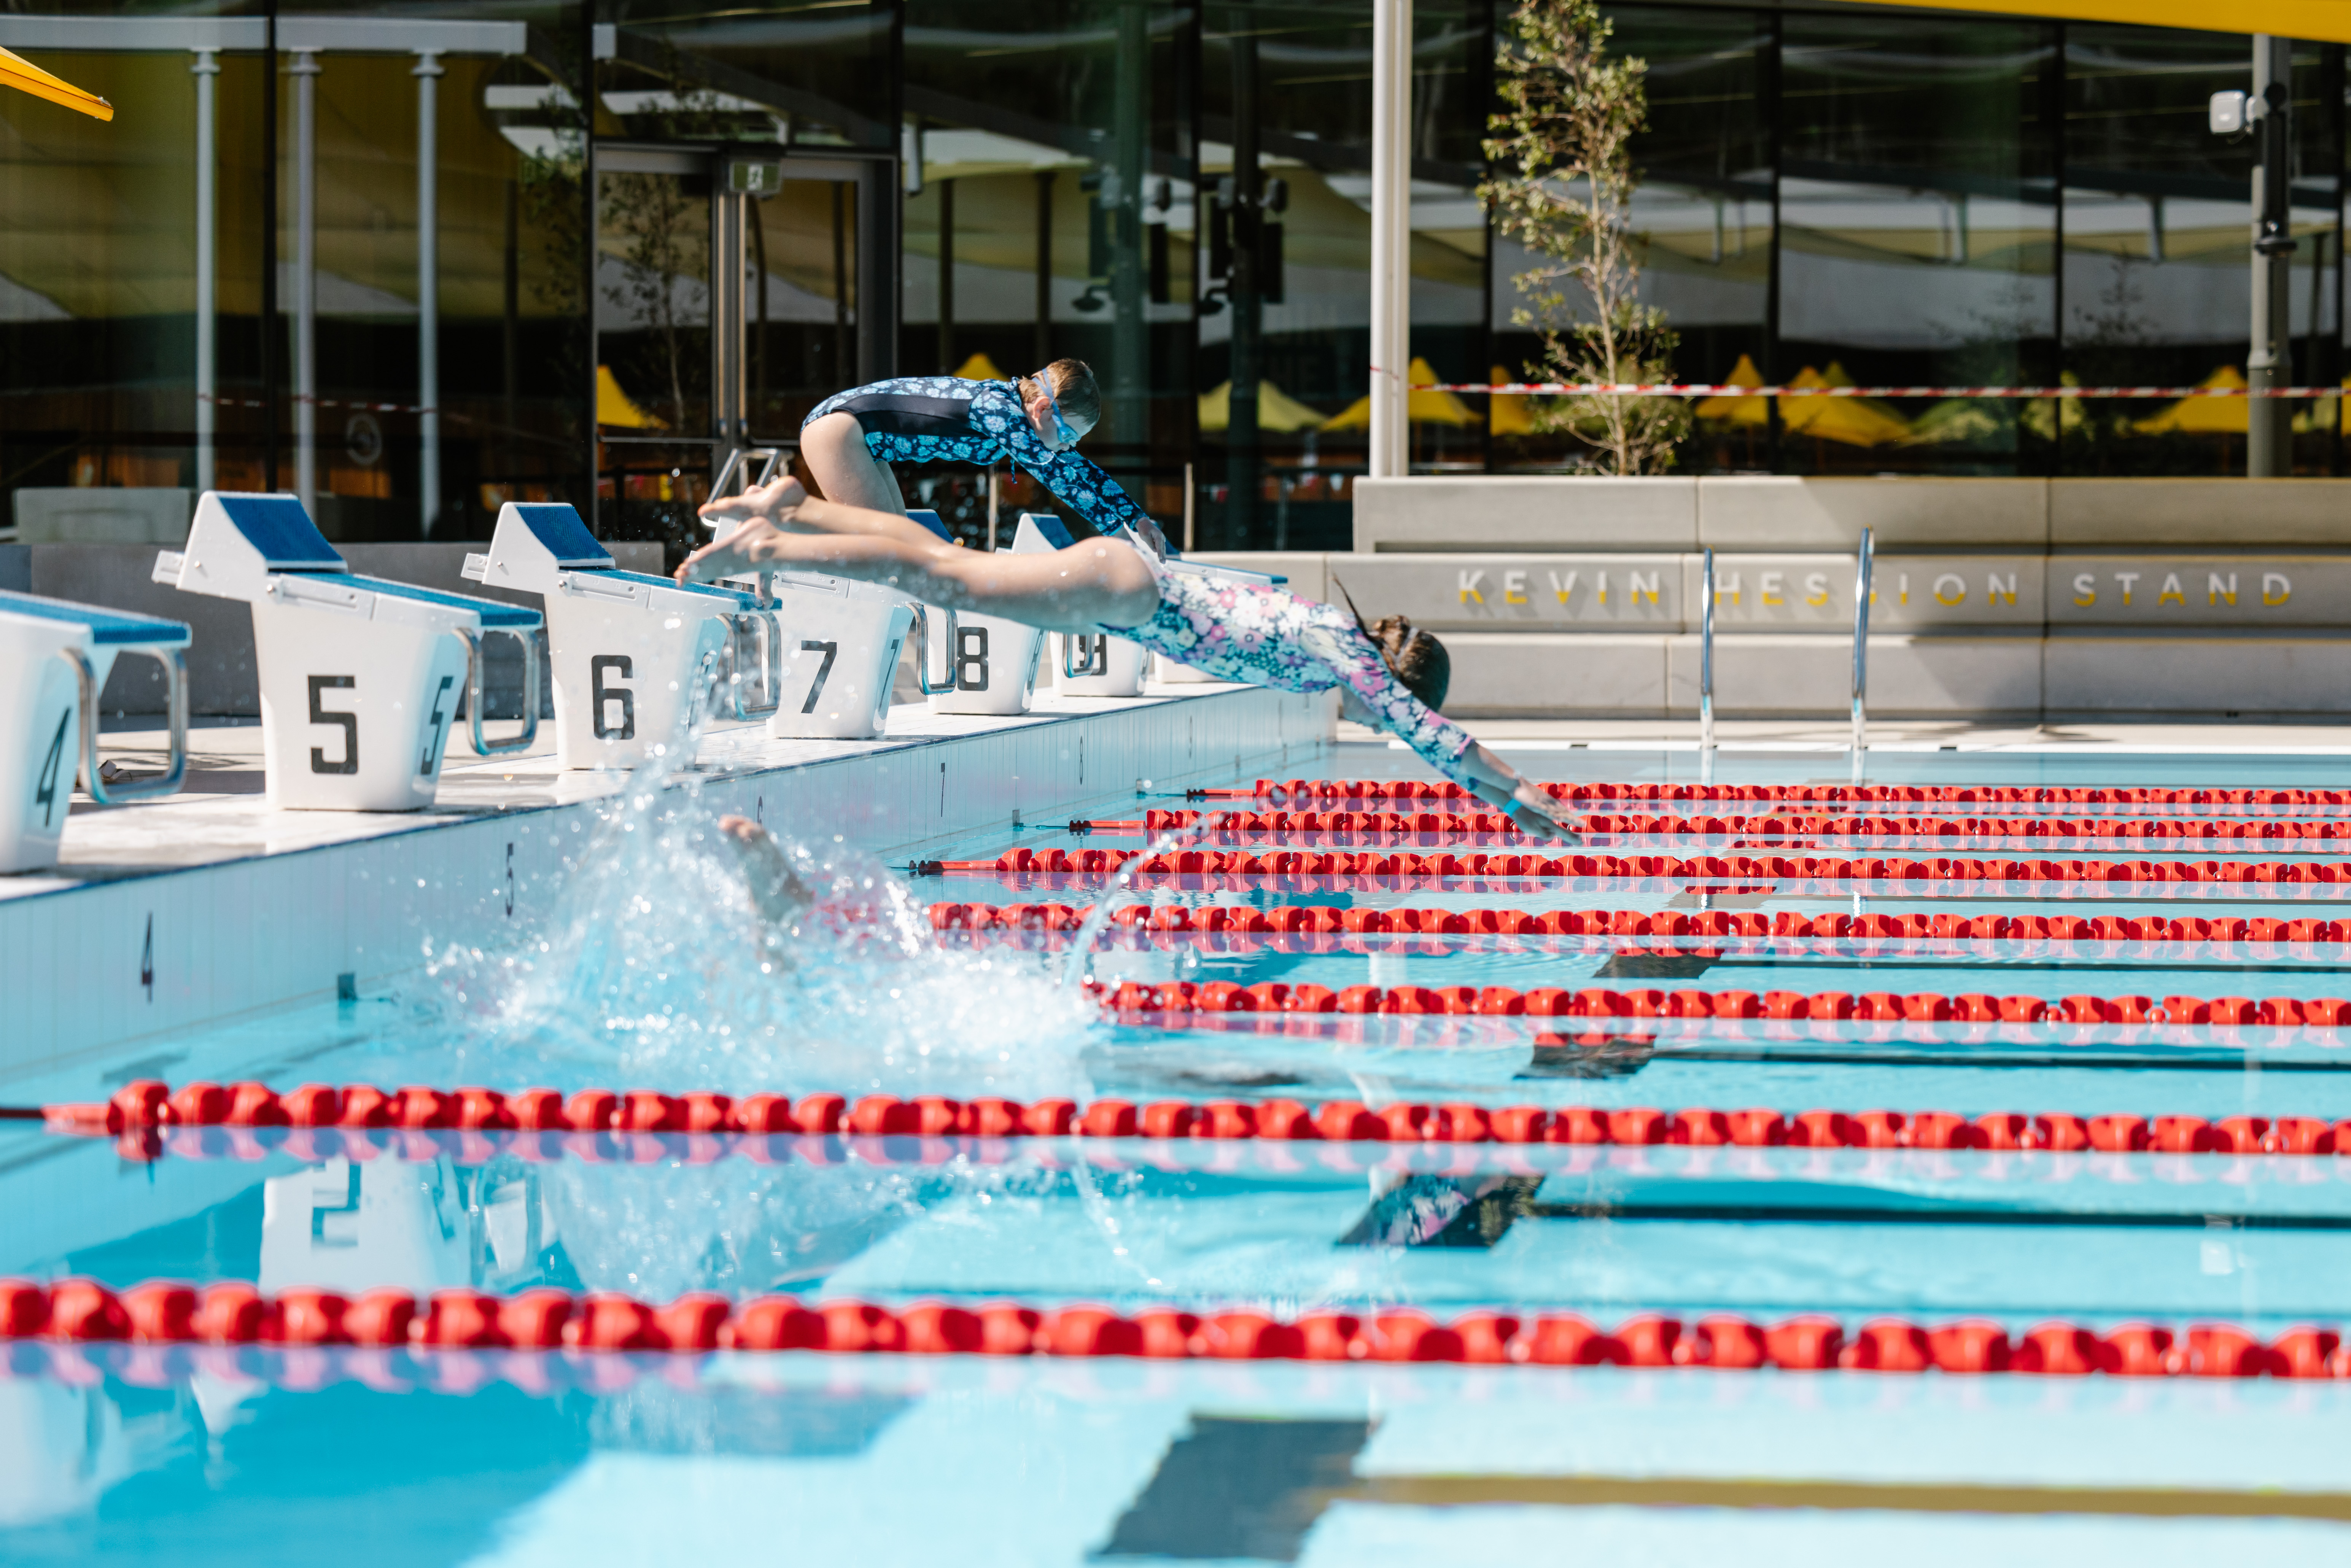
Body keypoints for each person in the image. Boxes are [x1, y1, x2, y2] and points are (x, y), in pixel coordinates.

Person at [680, 477, 1576, 840]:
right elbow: (1436, 739)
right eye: (1387, 701)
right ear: (1397, 678)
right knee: (942, 575)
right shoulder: (1352, 664)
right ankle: (766, 548)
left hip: (1136, 579)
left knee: (951, 569)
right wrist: (1523, 796)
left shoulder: (1322, 631)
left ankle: (794, 510)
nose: (1376, 712)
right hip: (1130, 594)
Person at [796, 359, 1170, 556]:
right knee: (887, 551)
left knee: (901, 549)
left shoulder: (1013, 413)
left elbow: (1076, 469)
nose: (1068, 446)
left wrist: (1138, 520)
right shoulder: (998, 410)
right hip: (839, 431)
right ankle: (780, 550)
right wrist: (1116, 534)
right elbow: (1056, 476)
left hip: (864, 441)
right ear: (1042, 409)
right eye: (1068, 434)